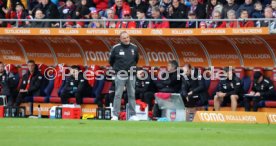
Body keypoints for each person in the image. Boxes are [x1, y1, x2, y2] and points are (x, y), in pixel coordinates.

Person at [109, 31, 139, 121]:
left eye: (127, 37)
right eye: (124, 38)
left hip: (131, 74)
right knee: (118, 94)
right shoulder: (116, 48)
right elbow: (111, 61)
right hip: (120, 74)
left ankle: (133, 115)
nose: (126, 39)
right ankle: (115, 115)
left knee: (132, 95)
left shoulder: (134, 47)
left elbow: (136, 59)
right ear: (120, 39)